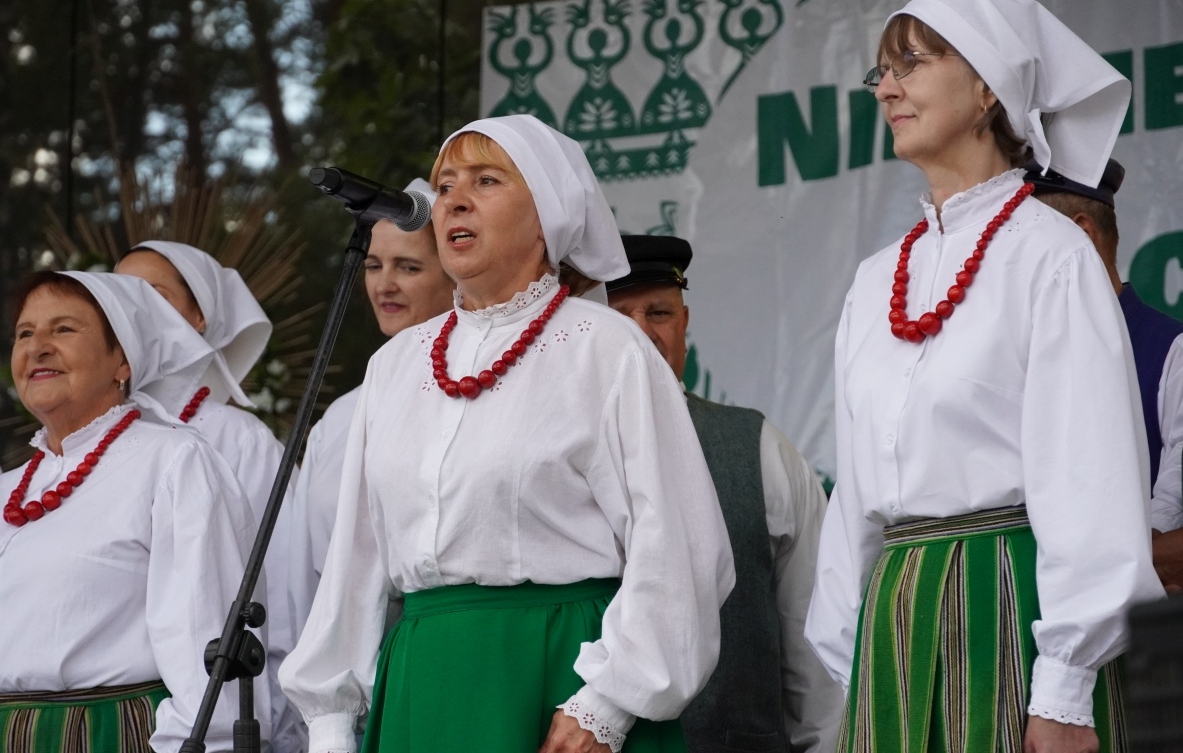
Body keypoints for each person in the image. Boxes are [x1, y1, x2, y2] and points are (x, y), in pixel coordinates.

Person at [280, 114, 734, 753]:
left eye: (486, 180)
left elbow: (681, 544)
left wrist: (606, 704)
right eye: (445, 186)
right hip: (427, 676)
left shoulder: (605, 347)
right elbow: (356, 563)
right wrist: (329, 722)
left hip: (561, 679)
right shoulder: (395, 365)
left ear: (548, 212)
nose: (454, 200)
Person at [805, 0, 1164, 753]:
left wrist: (1065, 687)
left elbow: (1088, 477)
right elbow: (858, 499)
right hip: (896, 609)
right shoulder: (875, 282)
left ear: (986, 90)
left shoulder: (1051, 254)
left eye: (912, 62)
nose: (886, 88)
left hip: (1008, 598)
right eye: (880, 71)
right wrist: (848, 657)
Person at [0, 271, 258, 752]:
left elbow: (207, 651)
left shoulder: (174, 462)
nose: (38, 347)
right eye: (25, 333)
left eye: (63, 329)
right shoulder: (8, 488)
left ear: (123, 359)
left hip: (111, 734)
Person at [606, 234, 843, 752]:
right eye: (620, 318)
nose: (642, 335)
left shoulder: (757, 448)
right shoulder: (556, 461)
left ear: (685, 325)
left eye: (659, 314)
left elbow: (816, 637)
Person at [112, 241, 301, 751]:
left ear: (199, 318)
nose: (132, 308)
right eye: (119, 294)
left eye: (152, 293)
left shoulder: (240, 439)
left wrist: (276, 732)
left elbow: (280, 592)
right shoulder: (89, 440)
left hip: (205, 720)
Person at [289, 179, 454, 625]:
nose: (385, 285)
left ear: (455, 274)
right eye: (374, 265)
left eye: (409, 267)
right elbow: (301, 566)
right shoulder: (341, 415)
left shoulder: (473, 395)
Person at [1023, 161, 1183, 538]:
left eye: (1020, 245)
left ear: (1082, 232)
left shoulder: (1175, 351)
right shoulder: (1012, 356)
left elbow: (1171, 508)